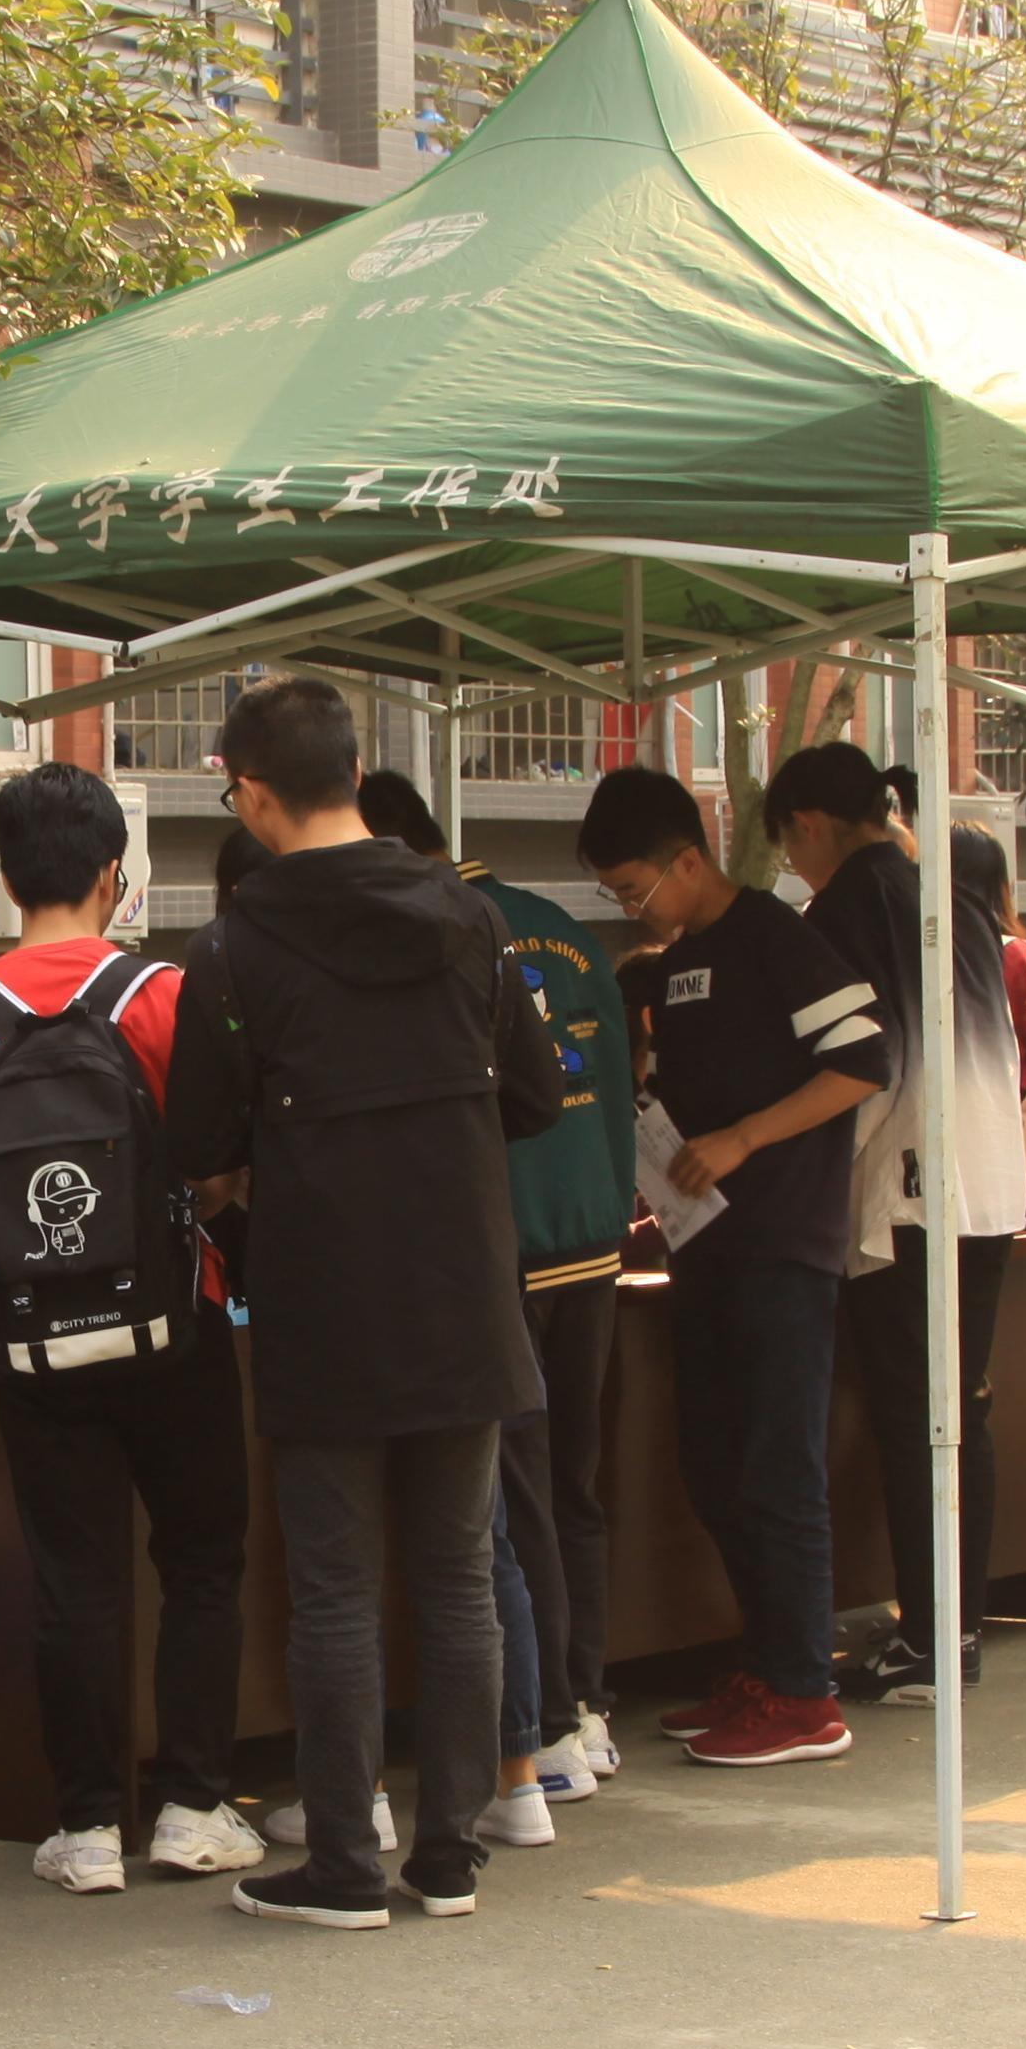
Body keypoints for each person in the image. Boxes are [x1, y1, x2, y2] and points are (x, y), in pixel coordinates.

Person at [167, 678, 558, 1924]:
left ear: (254, 795)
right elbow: (534, 1095)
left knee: (335, 1587)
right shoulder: (470, 915)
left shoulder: (230, 949)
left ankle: (343, 1862)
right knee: (455, 1575)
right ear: (353, 774)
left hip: (325, 1293)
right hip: (464, 1287)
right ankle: (449, 1858)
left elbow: (198, 1143)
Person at [0, 761, 256, 1893]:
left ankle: (90, 1828)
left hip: (35, 1345)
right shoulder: (165, 996)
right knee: (199, 1561)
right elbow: (219, 1169)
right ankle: (194, 1806)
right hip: (174, 1328)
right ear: (117, 873)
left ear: (7, 878)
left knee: (75, 1577)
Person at [579, 764, 880, 1761]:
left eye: (635, 891)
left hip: (782, 1244)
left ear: (686, 861)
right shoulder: (678, 965)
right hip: (701, 1245)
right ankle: (768, 1659)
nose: (632, 910)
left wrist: (748, 1137)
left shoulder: (777, 938)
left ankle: (805, 1692)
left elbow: (863, 1060)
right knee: (715, 1469)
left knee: (778, 1468)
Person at [360, 768, 636, 1792]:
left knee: (513, 1503)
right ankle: (587, 1705)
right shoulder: (566, 931)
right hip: (595, 1239)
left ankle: (549, 1724)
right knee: (573, 1488)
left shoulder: (442, 935)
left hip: (506, 1247)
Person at [760, 745, 1026, 1706]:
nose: (795, 867)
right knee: (962, 1412)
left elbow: (866, 1074)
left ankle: (936, 1638)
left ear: (809, 825)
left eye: (788, 848)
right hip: (989, 1181)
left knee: (922, 1422)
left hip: (910, 1197)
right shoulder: (946, 893)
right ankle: (954, 1626)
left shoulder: (845, 909)